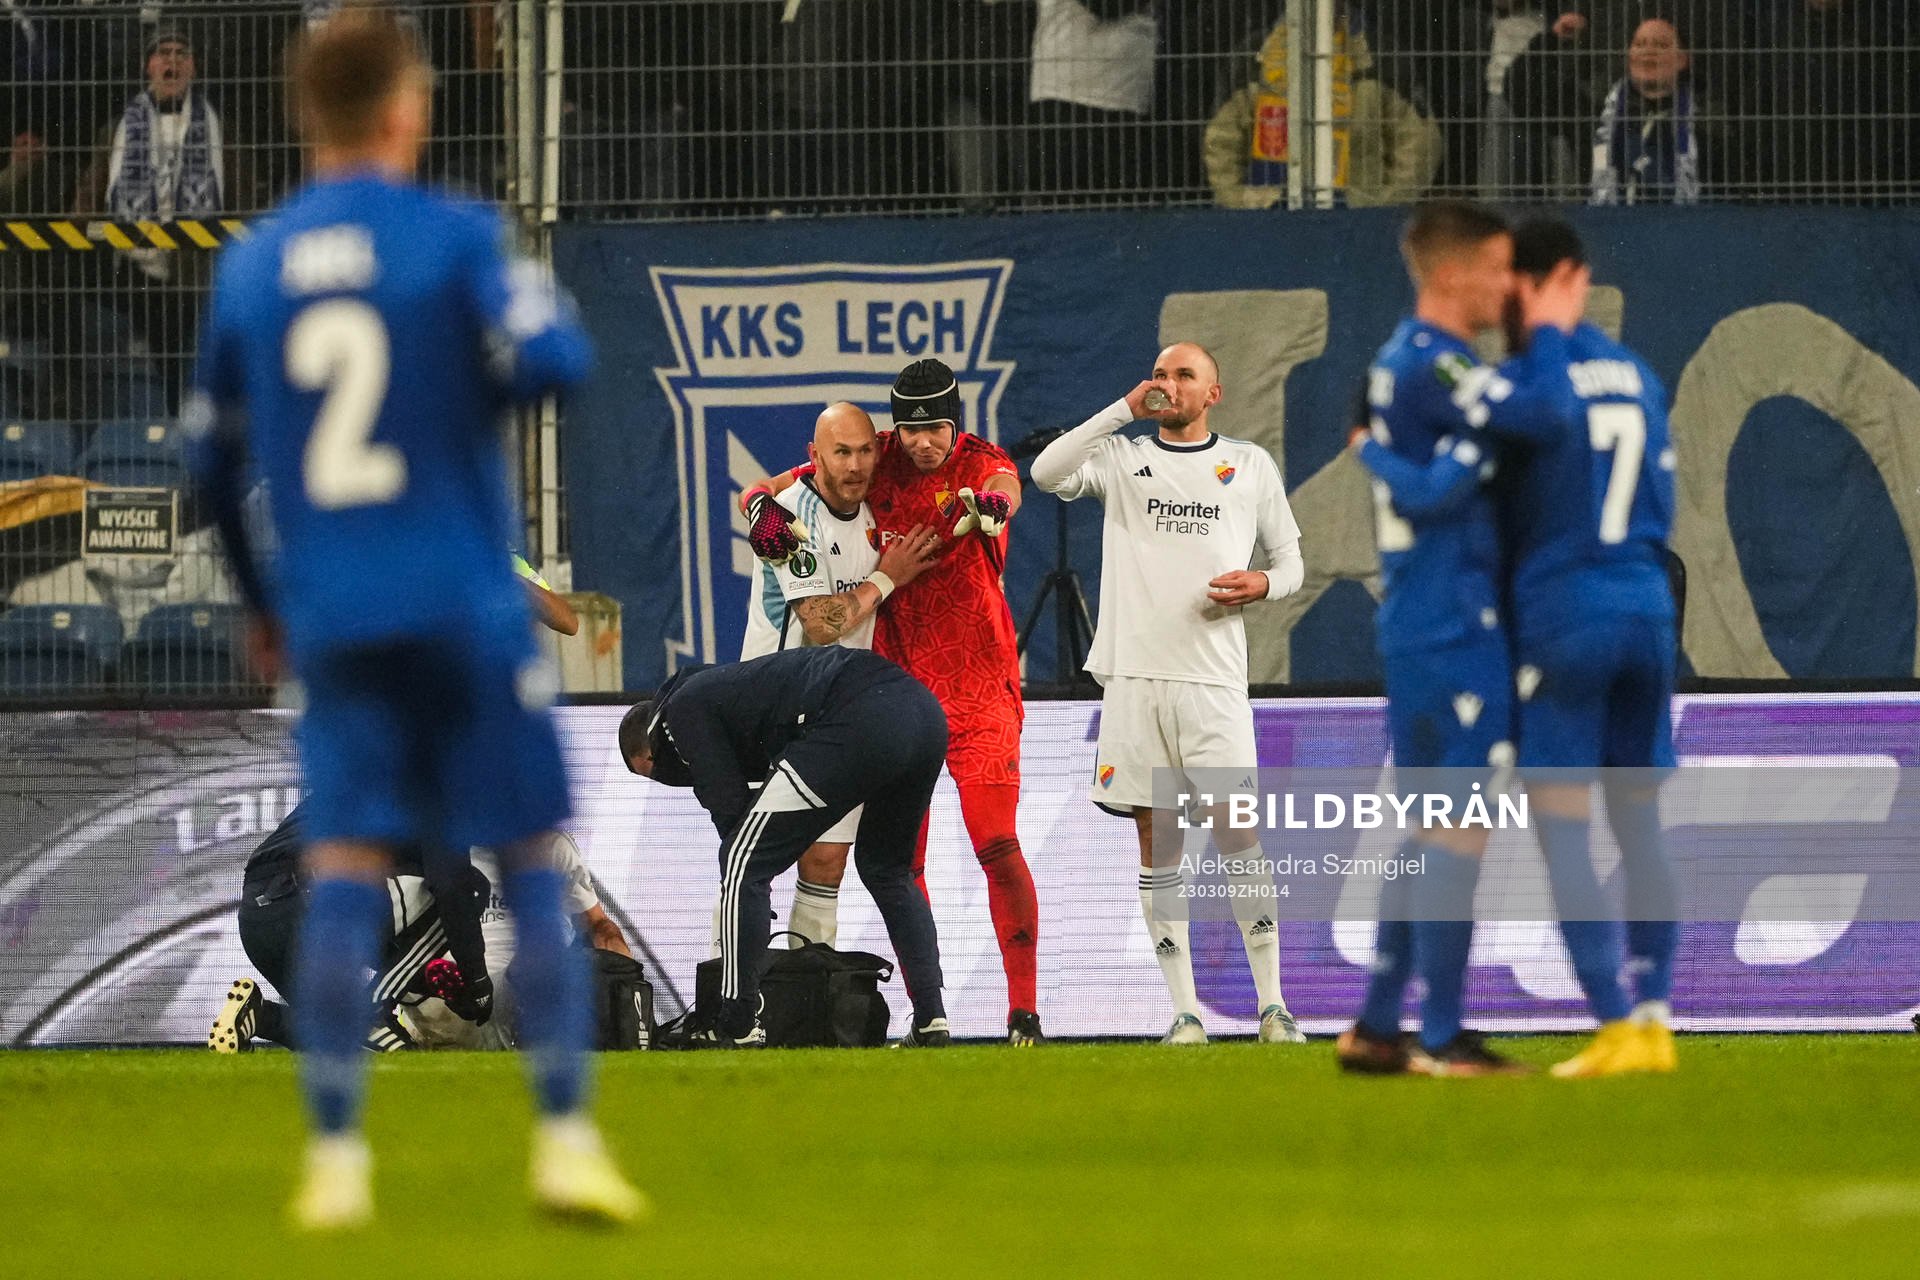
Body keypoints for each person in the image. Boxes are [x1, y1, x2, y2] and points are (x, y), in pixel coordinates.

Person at [181, 5, 638, 1230]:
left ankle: (334, 1156)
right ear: (407, 110)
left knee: (339, 867)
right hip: (461, 599)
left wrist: (264, 606)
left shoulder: (254, 262)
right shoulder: (453, 237)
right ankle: (565, 1137)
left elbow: (208, 465)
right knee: (532, 853)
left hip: (335, 613)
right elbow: (560, 362)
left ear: (302, 115)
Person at [743, 358, 1044, 1046]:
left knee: (995, 842)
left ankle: (1024, 1011)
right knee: (892, 863)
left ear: (956, 422)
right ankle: (918, 1013)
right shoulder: (871, 460)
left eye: (935, 429)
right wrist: (763, 516)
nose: (922, 445)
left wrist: (990, 511)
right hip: (895, 691)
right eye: (909, 431)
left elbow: (1005, 489)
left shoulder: (977, 461)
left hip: (978, 687)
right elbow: (765, 492)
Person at [1029, 341, 1307, 1046]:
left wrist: (1263, 584)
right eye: (1160, 372)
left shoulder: (1248, 464)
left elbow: (1292, 560)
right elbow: (1045, 471)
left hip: (1212, 679)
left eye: (1185, 374)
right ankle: (1184, 1014)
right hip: (1135, 678)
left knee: (1239, 834)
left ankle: (1273, 1006)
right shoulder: (1123, 461)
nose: (1168, 383)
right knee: (1159, 843)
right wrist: (1122, 410)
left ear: (1213, 394)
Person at [1471, 214, 1680, 1078]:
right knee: (1640, 823)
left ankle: (1615, 1026)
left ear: (1534, 284)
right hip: (1646, 605)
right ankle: (1659, 1017)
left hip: (1567, 611)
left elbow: (1496, 509)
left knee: (1562, 829)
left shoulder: (1528, 378)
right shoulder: (1637, 373)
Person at [1336, 200, 1526, 1077]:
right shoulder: (1440, 366)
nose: (1505, 284)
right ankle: (1444, 1035)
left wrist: (1372, 450)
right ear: (1450, 275)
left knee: (1434, 826)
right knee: (1458, 828)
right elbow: (1448, 482)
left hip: (1426, 614)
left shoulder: (1407, 364)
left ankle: (1378, 1026)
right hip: (1450, 620)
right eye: (1495, 267)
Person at [620, 645, 952, 1048]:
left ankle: (738, 1023)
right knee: (890, 872)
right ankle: (932, 1019)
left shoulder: (681, 712)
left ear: (652, 743)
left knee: (742, 860)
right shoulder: (722, 692)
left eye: (651, 769)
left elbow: (729, 810)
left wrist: (750, 885)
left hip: (856, 714)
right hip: (924, 714)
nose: (664, 778)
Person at [736, 402, 940, 952]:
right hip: (773, 706)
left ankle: (810, 994)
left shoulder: (873, 510)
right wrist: (886, 578)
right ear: (814, 458)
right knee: (749, 866)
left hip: (840, 712)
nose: (855, 465)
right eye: (840, 453)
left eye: (865, 450)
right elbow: (820, 624)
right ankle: (732, 1003)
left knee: (827, 862)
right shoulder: (791, 516)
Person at [210, 806, 632, 1054]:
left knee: (342, 1040)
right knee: (466, 888)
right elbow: (452, 886)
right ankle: (380, 1009)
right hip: (312, 900)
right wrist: (477, 980)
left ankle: (260, 1016)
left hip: (257, 919)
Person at [1203, 6, 1441, 209]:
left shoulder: (1382, 53)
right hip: (1265, 213)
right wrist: (1243, 203)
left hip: (1362, 215)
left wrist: (1382, 205)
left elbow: (1419, 144)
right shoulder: (1253, 54)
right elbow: (1222, 141)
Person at [1589, 17, 1707, 205]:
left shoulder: (1705, 120)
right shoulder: (1599, 114)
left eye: (1661, 45)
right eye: (1639, 44)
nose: (1648, 51)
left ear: (1683, 59)